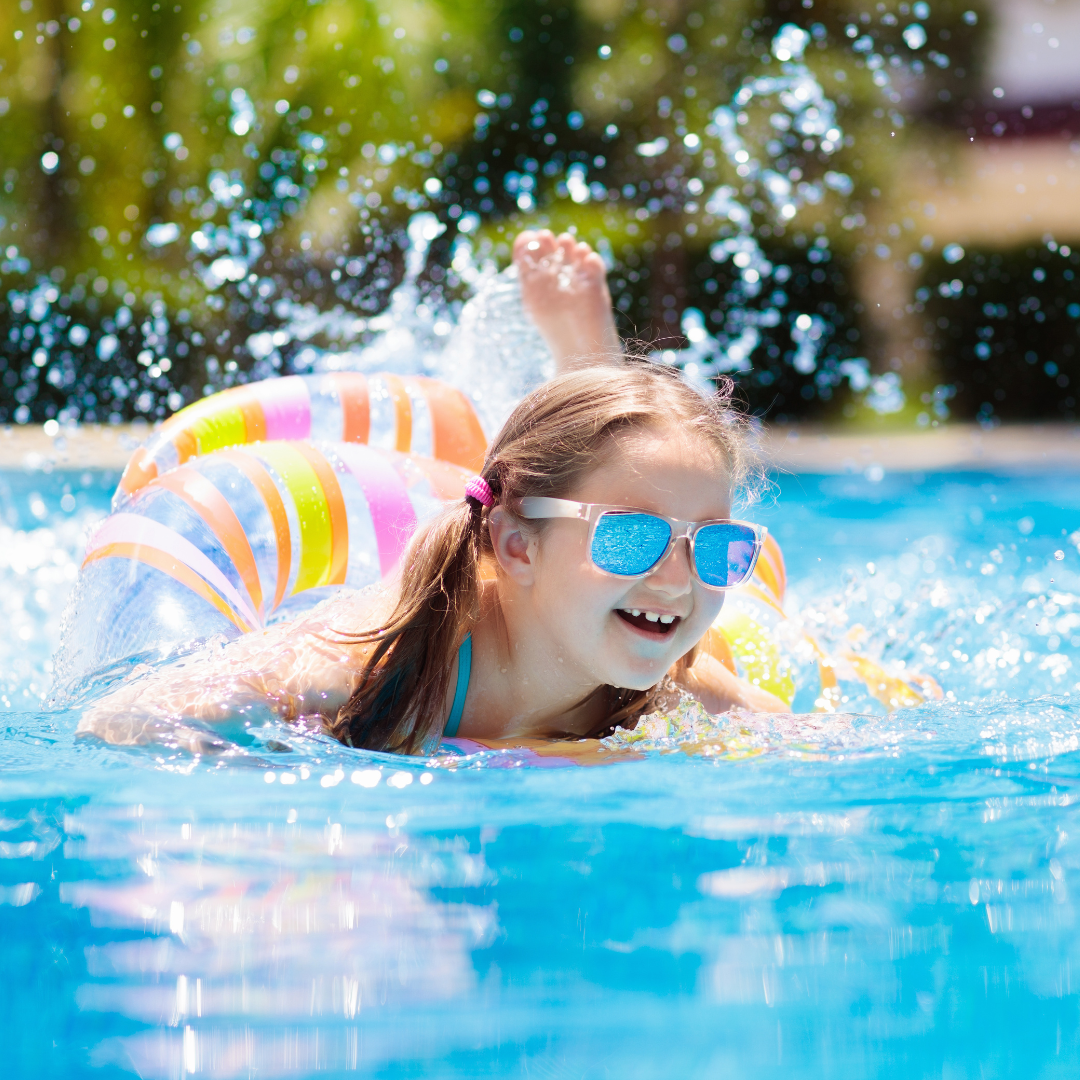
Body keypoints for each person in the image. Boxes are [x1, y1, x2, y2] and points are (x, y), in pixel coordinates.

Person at [78, 229, 786, 757]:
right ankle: (587, 364)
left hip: (551, 561)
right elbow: (121, 720)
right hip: (413, 569)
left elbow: (812, 748)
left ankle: (591, 363)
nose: (675, 579)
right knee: (597, 462)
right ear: (516, 545)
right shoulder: (378, 667)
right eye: (631, 537)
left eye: (718, 547)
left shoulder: (673, 678)